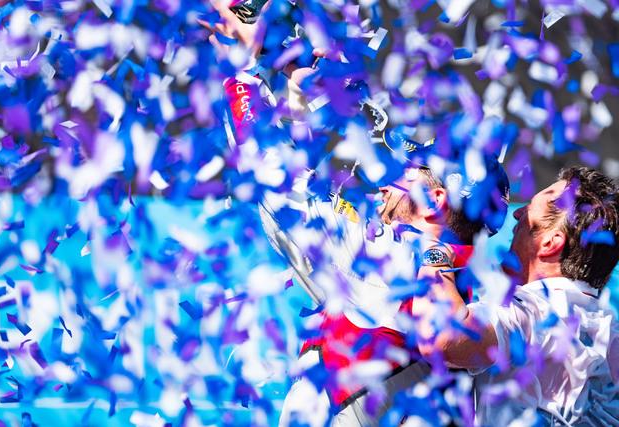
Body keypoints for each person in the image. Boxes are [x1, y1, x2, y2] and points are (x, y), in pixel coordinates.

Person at [264, 142, 510, 427]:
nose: (384, 185)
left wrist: (254, 121)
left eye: (404, 173)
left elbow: (277, 187)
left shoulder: (394, 259)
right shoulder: (461, 290)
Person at [413, 166, 619, 425]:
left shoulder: (541, 310)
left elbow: (441, 338)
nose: (517, 214)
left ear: (549, 244)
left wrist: (434, 252)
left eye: (528, 211)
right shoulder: (605, 326)